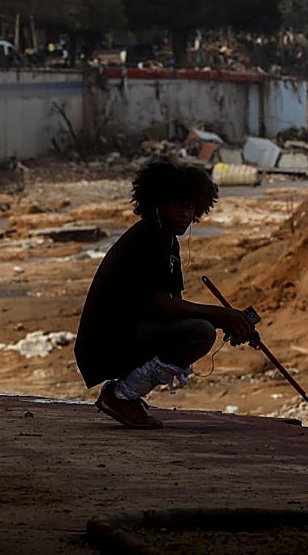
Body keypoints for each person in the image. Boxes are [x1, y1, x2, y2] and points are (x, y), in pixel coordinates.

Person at [74, 159, 257, 429]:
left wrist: (228, 320)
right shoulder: (148, 238)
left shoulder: (167, 240)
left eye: (190, 207)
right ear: (158, 205)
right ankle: (122, 396)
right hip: (108, 339)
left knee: (201, 327)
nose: (185, 214)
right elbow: (163, 306)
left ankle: (125, 395)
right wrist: (221, 316)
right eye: (178, 207)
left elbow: (175, 305)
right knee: (201, 332)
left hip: (127, 331)